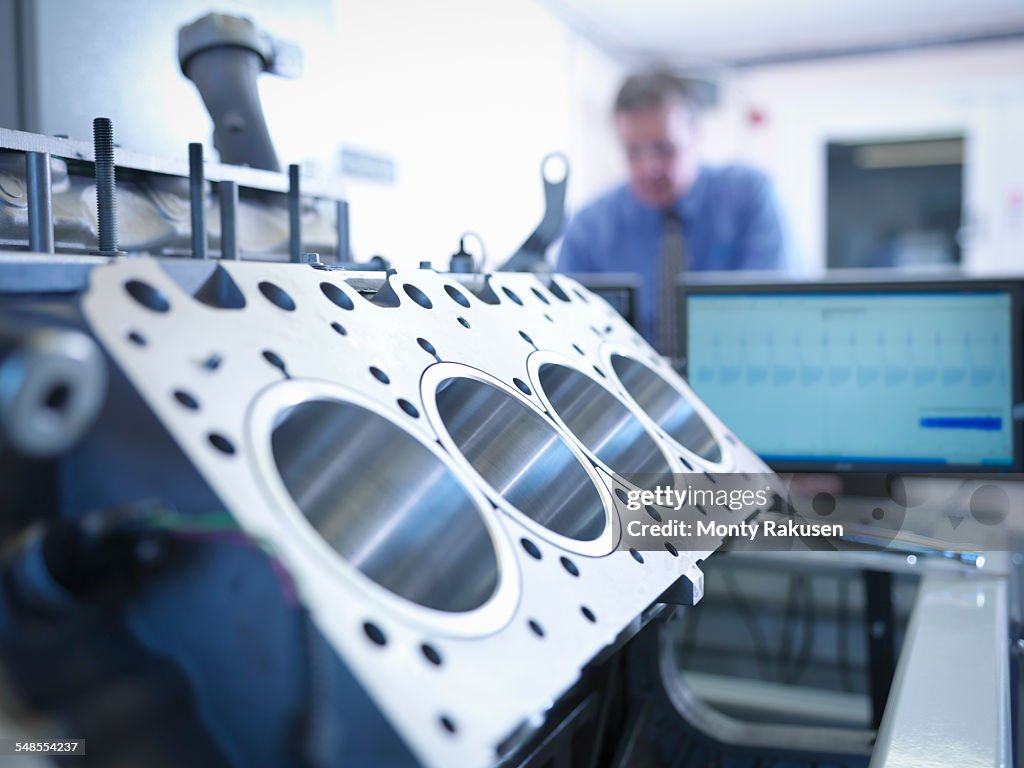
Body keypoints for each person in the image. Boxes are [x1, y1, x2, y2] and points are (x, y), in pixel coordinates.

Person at [557, 71, 793, 353]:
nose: (648, 167)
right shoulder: (590, 228)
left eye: (664, 149)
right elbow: (567, 330)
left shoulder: (748, 197)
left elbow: (774, 313)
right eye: (633, 152)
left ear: (696, 134)